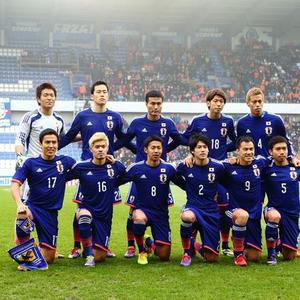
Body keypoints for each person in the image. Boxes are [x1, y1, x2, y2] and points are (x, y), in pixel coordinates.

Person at [59, 80, 135, 259]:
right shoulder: (82, 116)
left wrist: (121, 150)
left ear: (108, 95)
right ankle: (77, 246)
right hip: (87, 169)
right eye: (98, 91)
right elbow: (69, 136)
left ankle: (104, 244)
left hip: (107, 169)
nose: (102, 94)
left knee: (107, 207)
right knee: (81, 208)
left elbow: (123, 138)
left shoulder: (115, 117)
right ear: (92, 95)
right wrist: (53, 149)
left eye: (105, 91)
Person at [115, 90, 183, 258]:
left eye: (158, 103)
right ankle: (132, 246)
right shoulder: (137, 122)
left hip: (160, 173)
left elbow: (180, 140)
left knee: (159, 207)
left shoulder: (167, 123)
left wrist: (166, 150)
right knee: (133, 212)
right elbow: (124, 141)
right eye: (152, 103)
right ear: (146, 104)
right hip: (140, 172)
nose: (155, 106)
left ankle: (152, 241)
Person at [169, 88, 236, 256]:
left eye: (221, 101)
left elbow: (236, 142)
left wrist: (226, 153)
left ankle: (225, 243)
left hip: (219, 170)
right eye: (215, 101)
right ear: (208, 103)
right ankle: (191, 239)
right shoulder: (198, 120)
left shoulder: (228, 121)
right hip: (200, 168)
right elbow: (185, 138)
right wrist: (190, 153)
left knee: (224, 207)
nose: (218, 104)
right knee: (200, 203)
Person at [11, 129, 76, 269]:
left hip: (51, 214)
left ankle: (35, 248)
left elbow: (86, 168)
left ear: (58, 144)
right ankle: (26, 255)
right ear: (40, 143)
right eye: (47, 142)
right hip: (33, 208)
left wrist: (106, 160)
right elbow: (15, 183)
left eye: (54, 142)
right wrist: (19, 204)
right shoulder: (30, 163)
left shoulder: (66, 161)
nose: (51, 145)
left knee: (49, 258)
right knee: (22, 215)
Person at [119, 135, 185, 265]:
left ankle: (148, 241)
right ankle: (142, 251)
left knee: (164, 256)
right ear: (146, 150)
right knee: (137, 217)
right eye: (153, 148)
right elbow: (116, 181)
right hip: (142, 210)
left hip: (161, 215)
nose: (156, 151)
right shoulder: (136, 168)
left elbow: (185, 185)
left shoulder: (169, 168)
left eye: (159, 148)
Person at [68, 132, 126, 267]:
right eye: (97, 146)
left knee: (100, 257)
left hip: (104, 216)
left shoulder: (115, 166)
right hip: (87, 208)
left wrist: (116, 161)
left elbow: (126, 174)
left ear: (107, 148)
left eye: (103, 146)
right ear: (91, 149)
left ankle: (91, 249)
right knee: (84, 217)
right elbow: (62, 178)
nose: (100, 149)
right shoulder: (81, 167)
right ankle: (88, 254)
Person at [177, 134, 224, 266]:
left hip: (211, 211)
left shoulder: (218, 167)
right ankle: (186, 253)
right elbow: (172, 173)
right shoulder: (186, 165)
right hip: (193, 207)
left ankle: (194, 244)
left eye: (205, 147)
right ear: (192, 150)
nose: (203, 150)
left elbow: (227, 180)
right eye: (199, 147)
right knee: (187, 216)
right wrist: (186, 187)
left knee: (212, 259)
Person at [15, 82, 65, 199]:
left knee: (48, 204)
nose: (49, 98)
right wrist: (19, 156)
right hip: (33, 167)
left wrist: (85, 135)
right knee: (26, 205)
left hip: (51, 168)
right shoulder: (30, 117)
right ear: (38, 98)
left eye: (52, 95)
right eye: (45, 95)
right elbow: (20, 139)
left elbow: (64, 138)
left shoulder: (59, 120)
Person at [223, 136, 266, 267]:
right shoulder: (228, 166)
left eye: (251, 149)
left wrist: (292, 158)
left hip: (254, 214)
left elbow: (278, 157)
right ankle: (238, 255)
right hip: (234, 210)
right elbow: (209, 163)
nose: (249, 152)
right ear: (238, 151)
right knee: (242, 216)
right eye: (245, 149)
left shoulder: (261, 163)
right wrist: (190, 158)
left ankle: (237, 237)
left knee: (254, 257)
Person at [263, 136, 300, 264]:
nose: (282, 152)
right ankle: (271, 254)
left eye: (284, 148)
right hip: (273, 209)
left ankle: (279, 243)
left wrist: (295, 158)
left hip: (292, 213)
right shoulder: (266, 167)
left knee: (289, 256)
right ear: (270, 152)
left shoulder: (296, 166)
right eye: (278, 149)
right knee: (274, 216)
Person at [236, 87, 293, 157]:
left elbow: (286, 141)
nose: (257, 104)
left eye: (260, 101)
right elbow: (239, 146)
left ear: (263, 102)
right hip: (251, 165)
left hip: (272, 164)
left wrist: (291, 157)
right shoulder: (242, 123)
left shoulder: (276, 120)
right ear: (248, 103)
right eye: (254, 102)